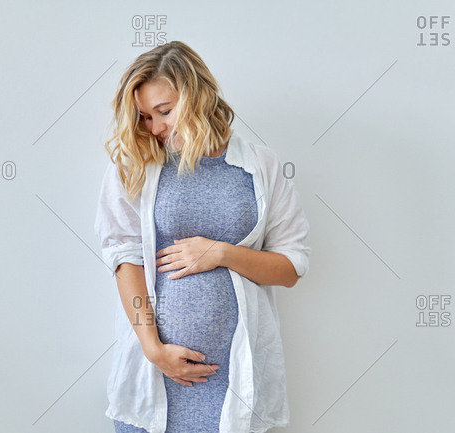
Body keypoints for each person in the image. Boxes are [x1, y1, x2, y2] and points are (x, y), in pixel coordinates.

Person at [94, 41, 311, 433]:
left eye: (164, 111)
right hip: (157, 373)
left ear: (199, 96)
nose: (155, 127)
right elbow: (125, 258)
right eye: (144, 116)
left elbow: (290, 267)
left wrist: (222, 253)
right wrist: (152, 348)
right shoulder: (137, 161)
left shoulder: (258, 165)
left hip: (235, 378)